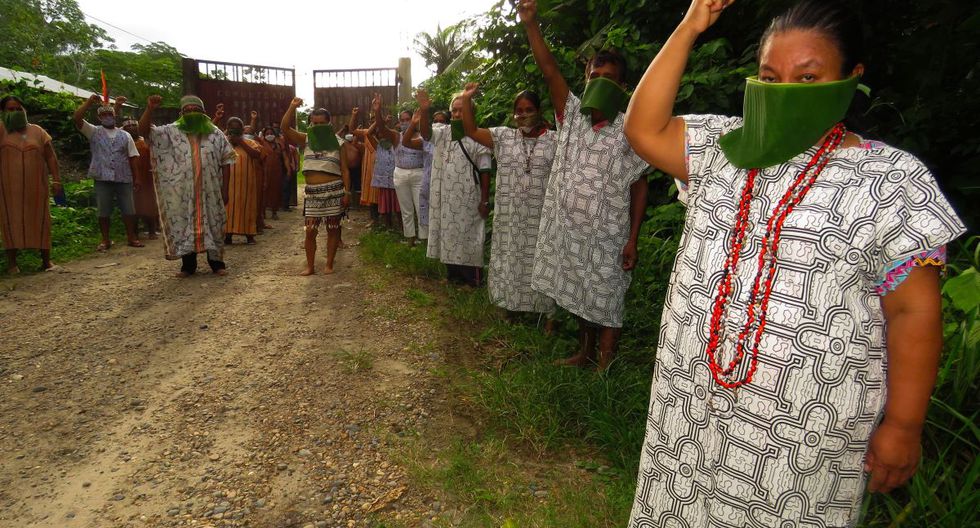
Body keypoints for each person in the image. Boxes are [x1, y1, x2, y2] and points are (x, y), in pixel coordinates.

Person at [622, 0, 966, 525]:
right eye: (770, 76)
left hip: (801, 435)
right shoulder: (723, 146)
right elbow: (642, 129)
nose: (784, 92)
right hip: (690, 404)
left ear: (852, 78)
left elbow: (912, 312)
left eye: (808, 78)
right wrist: (691, 25)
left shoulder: (891, 180)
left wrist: (903, 425)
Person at [519, 0, 650, 369]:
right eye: (594, 77)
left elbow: (640, 184)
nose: (599, 84)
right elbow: (549, 70)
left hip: (610, 235)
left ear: (623, 87)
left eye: (609, 80)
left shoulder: (631, 128)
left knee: (608, 296)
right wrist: (531, 24)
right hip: (571, 234)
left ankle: (604, 368)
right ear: (585, 80)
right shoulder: (571, 114)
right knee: (580, 293)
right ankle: (585, 352)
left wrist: (633, 237)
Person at [458, 83, 557, 326]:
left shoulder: (555, 140)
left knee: (539, 261)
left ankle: (544, 313)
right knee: (510, 258)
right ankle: (509, 307)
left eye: (529, 109)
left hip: (541, 217)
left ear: (539, 111)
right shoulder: (503, 136)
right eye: (519, 110)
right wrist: (466, 99)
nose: (523, 115)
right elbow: (470, 129)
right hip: (509, 217)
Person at [139, 95, 235, 277]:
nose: (191, 113)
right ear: (181, 113)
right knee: (185, 222)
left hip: (211, 190)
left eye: (196, 110)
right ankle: (188, 266)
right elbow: (144, 131)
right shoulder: (170, 131)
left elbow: (227, 161)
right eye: (187, 111)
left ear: (203, 113)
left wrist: (225, 189)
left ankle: (217, 263)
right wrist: (150, 108)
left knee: (214, 223)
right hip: (182, 191)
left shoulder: (215, 133)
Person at [416, 89, 492, 287]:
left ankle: (472, 280)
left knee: (469, 236)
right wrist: (424, 111)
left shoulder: (479, 137)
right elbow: (425, 134)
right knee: (449, 235)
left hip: (469, 198)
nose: (458, 114)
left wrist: (485, 200)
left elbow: (485, 170)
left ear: (471, 112)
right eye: (455, 111)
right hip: (446, 198)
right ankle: (453, 277)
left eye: (462, 110)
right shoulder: (443, 133)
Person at [280, 97, 351, 275]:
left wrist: (347, 192)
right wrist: (292, 106)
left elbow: (345, 169)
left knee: (333, 229)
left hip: (334, 189)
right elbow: (284, 128)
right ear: (311, 123)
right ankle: (310, 266)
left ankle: (329, 264)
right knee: (310, 231)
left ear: (329, 123)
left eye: (321, 123)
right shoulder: (306, 139)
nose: (317, 125)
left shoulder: (339, 143)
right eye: (315, 122)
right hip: (312, 192)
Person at [73, 93, 143, 250]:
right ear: (99, 118)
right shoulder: (93, 132)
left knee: (129, 209)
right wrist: (89, 102)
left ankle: (131, 237)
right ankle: (105, 240)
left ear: (115, 115)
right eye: (103, 115)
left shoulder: (125, 135)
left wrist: (137, 177)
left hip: (124, 177)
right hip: (102, 177)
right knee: (103, 210)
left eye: (109, 114)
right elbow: (77, 118)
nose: (107, 117)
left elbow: (133, 156)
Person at [0, 95, 61, 273]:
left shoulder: (38, 131)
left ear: (25, 110)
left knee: (41, 220)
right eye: (10, 109)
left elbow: (50, 156)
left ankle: (46, 261)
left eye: (19, 108)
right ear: (3, 113)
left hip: (37, 188)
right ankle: (12, 264)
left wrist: (56, 179)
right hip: (8, 190)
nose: (16, 112)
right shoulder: (1, 131)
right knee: (10, 222)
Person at [377, 106, 426, 245]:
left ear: (414, 120)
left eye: (407, 119)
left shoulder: (423, 137)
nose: (405, 122)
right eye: (402, 120)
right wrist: (377, 111)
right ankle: (410, 239)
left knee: (421, 207)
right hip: (400, 174)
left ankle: (424, 240)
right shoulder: (396, 136)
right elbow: (381, 128)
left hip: (419, 173)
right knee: (406, 209)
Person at [223, 117, 264, 245]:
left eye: (237, 129)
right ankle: (227, 235)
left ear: (241, 130)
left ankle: (249, 235)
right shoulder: (223, 144)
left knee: (247, 207)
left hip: (247, 185)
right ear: (227, 130)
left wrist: (240, 142)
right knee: (227, 209)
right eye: (231, 129)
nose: (234, 132)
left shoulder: (250, 142)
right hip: (228, 185)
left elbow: (257, 155)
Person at [121, 118, 158, 239]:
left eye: (134, 125)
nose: (131, 127)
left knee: (150, 204)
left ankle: (152, 231)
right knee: (133, 206)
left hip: (147, 178)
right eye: (128, 126)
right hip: (131, 178)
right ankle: (134, 232)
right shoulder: (123, 143)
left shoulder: (146, 141)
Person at [369, 99, 399, 229]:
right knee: (385, 205)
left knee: (398, 207)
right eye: (380, 133)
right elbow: (368, 133)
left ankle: (401, 228)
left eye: (384, 132)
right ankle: (388, 227)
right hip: (383, 180)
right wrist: (378, 118)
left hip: (396, 180)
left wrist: (384, 124)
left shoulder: (396, 143)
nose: (382, 134)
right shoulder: (378, 145)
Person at [257, 125, 286, 221]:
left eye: (271, 134)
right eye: (267, 134)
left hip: (276, 171)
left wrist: (288, 168)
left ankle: (274, 212)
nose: (269, 135)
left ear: (275, 135)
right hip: (265, 171)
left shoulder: (279, 145)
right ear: (264, 135)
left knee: (276, 191)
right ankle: (263, 213)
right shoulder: (261, 144)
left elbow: (284, 158)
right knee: (264, 192)